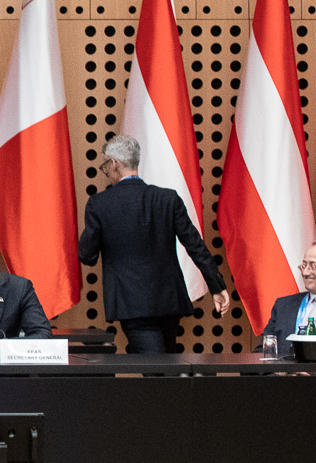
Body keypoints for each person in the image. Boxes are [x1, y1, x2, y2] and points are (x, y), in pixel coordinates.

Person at [77, 135, 228, 354]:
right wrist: (216, 286)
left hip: (131, 302)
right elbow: (195, 245)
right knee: (165, 363)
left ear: (114, 163)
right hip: (169, 299)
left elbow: (87, 256)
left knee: (156, 368)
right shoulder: (168, 199)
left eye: (105, 166)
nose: (106, 172)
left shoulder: (100, 204)